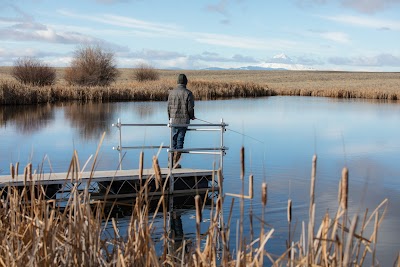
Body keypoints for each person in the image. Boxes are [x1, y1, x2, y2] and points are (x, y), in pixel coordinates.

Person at [168, 74, 195, 168]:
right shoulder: (188, 93)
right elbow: (190, 108)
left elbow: (168, 107)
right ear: (185, 82)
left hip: (173, 121)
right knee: (180, 141)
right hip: (183, 121)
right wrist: (192, 116)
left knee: (173, 140)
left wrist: (170, 118)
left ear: (177, 82)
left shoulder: (171, 93)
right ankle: (176, 163)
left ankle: (170, 163)